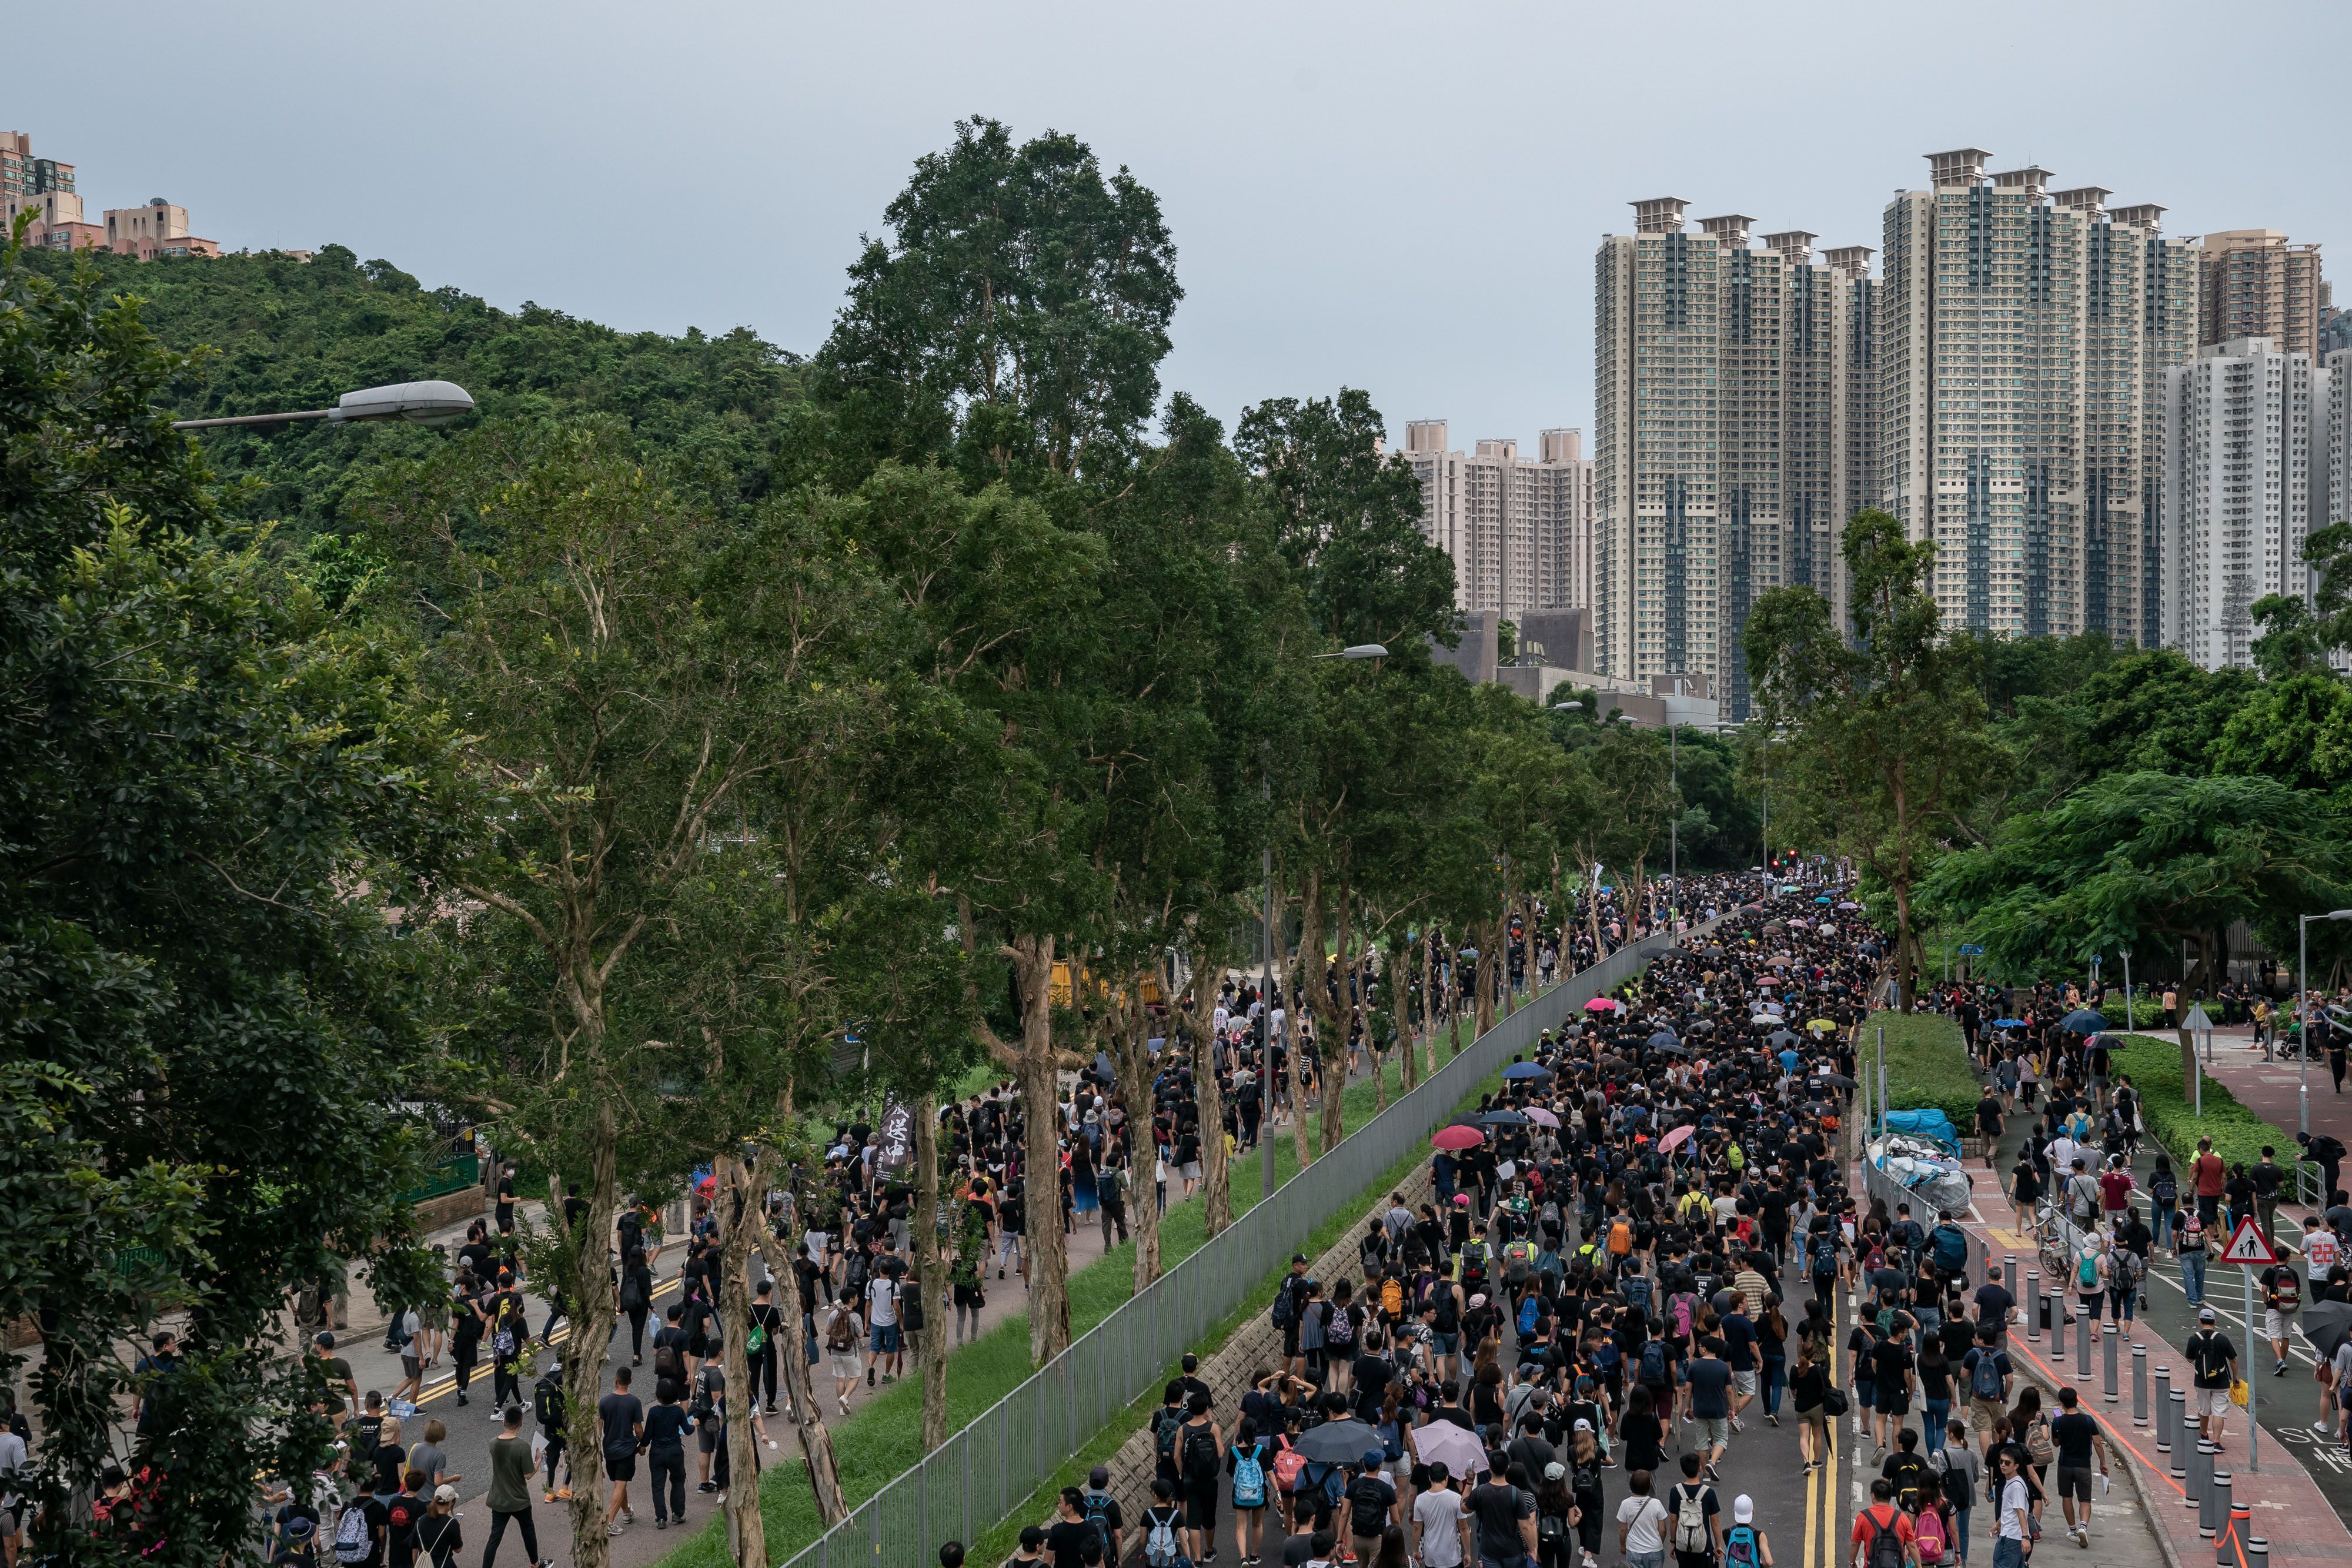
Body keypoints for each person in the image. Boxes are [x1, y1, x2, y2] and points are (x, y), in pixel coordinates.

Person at [480, 1405, 549, 1568]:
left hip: (498, 1498)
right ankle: (535, 1563)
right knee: (528, 1530)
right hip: (519, 1499)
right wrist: (539, 1459)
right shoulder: (522, 1447)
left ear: (504, 1422)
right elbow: (528, 1475)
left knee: (495, 1537)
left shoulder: (493, 1444)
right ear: (521, 1423)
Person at [2047, 1387, 2106, 1547]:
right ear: (2077, 1400)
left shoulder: (2058, 1421)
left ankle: (2073, 1531)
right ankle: (2083, 1527)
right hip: (2083, 1466)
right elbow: (2098, 1443)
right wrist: (2103, 1463)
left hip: (2065, 1465)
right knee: (2085, 1499)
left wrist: (2057, 1428)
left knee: (2067, 1497)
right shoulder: (2088, 1420)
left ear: (2061, 1403)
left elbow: (2056, 1443)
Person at [2185, 1306, 2240, 1449]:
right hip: (2221, 1382)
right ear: (2215, 1321)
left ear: (2200, 1321)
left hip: (2201, 1381)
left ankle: (2203, 1435)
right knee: (2219, 1411)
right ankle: (2216, 1442)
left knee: (2203, 1410)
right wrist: (2235, 1378)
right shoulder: (2222, 1339)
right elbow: (2233, 1360)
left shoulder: (2194, 1339)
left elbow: (2189, 1359)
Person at [642, 1378, 693, 1529]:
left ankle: (661, 1518)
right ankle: (678, 1513)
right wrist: (694, 1424)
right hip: (675, 1451)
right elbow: (688, 1430)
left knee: (658, 1485)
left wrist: (641, 1446)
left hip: (657, 1451)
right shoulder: (678, 1411)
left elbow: (647, 1436)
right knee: (678, 1482)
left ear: (658, 1395)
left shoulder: (654, 1411)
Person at [1468, 1461, 1539, 1568]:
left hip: (1492, 1546)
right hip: (1518, 1547)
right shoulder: (1528, 1497)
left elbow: (1464, 1507)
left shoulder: (1497, 1493)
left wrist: (1470, 1482)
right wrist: (1533, 1548)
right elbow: (1531, 1524)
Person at [599, 1366, 643, 1538]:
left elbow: (599, 1427)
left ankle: (627, 1512)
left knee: (619, 1482)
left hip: (609, 1449)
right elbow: (638, 1430)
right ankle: (609, 1522)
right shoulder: (634, 1402)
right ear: (630, 1382)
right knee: (621, 1484)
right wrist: (642, 1444)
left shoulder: (604, 1401)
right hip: (626, 1449)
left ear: (615, 1381)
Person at [1344, 1448, 1398, 1566]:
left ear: (1363, 1464)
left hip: (1358, 1536)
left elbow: (1344, 1514)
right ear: (1380, 1466)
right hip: (1378, 1536)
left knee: (1362, 1565)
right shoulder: (1386, 1488)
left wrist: (1339, 1540)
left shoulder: (1354, 1485)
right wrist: (1397, 1538)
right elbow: (1396, 1519)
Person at [1665, 1453, 1720, 1568]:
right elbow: (1715, 1522)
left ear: (1682, 1470)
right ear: (1700, 1468)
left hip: (1683, 1545)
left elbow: (1673, 1520)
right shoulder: (1709, 1493)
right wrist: (1718, 1545)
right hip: (1704, 1546)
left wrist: (1673, 1542)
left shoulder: (1675, 1492)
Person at [1414, 1462, 1471, 1568]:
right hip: (1451, 1556)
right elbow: (1464, 1528)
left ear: (1430, 1478)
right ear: (1447, 1478)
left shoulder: (1420, 1500)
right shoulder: (1456, 1498)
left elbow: (1417, 1528)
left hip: (1430, 1556)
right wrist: (1467, 1553)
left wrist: (1415, 1551)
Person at [1848, 1478, 1914, 1568]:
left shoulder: (1863, 1517)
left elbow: (1855, 1543)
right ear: (1890, 1497)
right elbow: (1912, 1545)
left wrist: (1852, 1563)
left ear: (1873, 1496)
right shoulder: (1902, 1518)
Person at [1616, 1469, 1671, 1568]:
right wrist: (1659, 1543)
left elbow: (1623, 1529)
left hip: (1634, 1549)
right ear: (1649, 1486)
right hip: (1654, 1549)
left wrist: (1622, 1545)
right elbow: (1663, 1530)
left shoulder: (1625, 1504)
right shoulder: (1656, 1503)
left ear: (1631, 1486)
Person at [1992, 1449, 2031, 1568]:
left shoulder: (2016, 1487)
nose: (2003, 1465)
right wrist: (1999, 1523)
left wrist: (2025, 1537)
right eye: (2001, 1461)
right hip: (2012, 1536)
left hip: (2011, 1538)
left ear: (2016, 1466)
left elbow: (2020, 1512)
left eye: (2007, 1463)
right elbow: (2010, 1509)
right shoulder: (2013, 1481)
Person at [1137, 1478, 1187, 1568]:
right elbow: (1184, 1543)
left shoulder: (1147, 1514)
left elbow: (1143, 1541)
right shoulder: (1177, 1515)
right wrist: (1189, 1562)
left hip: (1152, 1561)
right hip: (1169, 1560)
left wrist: (1144, 1553)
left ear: (1156, 1496)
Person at [1722, 1495, 1771, 1568]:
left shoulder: (1727, 1533)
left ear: (1734, 1512)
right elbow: (1769, 1562)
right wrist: (1760, 1564)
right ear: (1753, 1512)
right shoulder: (1759, 1535)